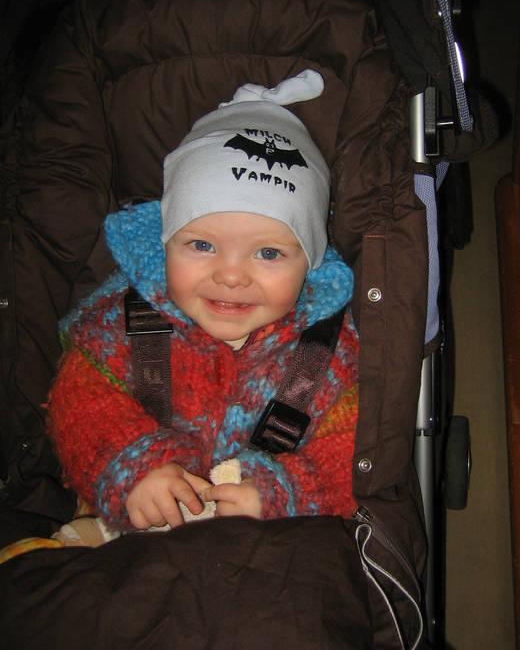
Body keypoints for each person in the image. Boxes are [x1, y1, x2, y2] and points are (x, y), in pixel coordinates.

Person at [45, 69, 359, 540]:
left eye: (268, 253)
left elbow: (351, 449)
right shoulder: (123, 322)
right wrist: (135, 467)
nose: (230, 275)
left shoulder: (327, 352)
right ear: (166, 241)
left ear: (309, 262)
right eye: (202, 245)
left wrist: (283, 492)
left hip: (271, 537)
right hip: (133, 521)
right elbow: (82, 404)